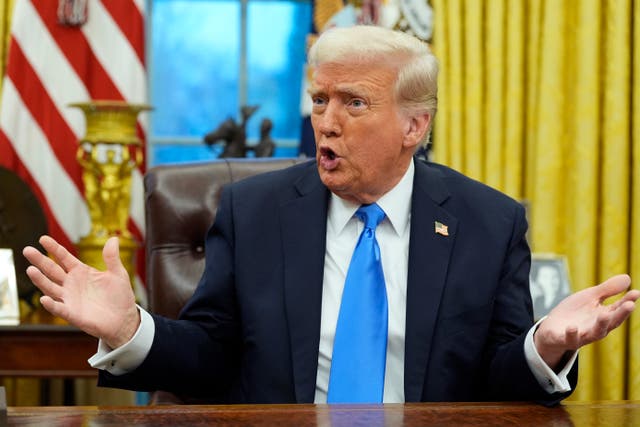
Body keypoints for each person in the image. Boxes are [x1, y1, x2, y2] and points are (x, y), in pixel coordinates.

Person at [23, 26, 638, 405]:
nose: (327, 120)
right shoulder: (254, 211)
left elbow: (499, 376)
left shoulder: (488, 221)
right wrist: (130, 329)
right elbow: (210, 357)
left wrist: (546, 347)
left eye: (354, 102)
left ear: (413, 127)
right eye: (320, 99)